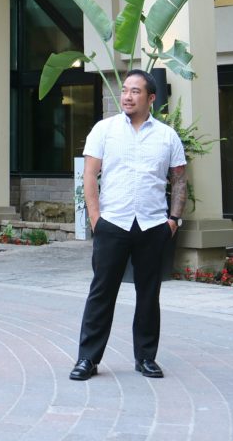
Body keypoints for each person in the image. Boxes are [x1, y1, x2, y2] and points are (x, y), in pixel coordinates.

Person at [69, 69, 187, 381]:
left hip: (152, 226)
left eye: (135, 91)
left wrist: (173, 220)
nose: (127, 96)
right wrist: (97, 220)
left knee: (149, 294)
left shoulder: (167, 136)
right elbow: (90, 176)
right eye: (125, 90)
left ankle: (145, 358)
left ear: (151, 98)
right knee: (101, 293)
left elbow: (179, 180)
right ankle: (87, 359)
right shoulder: (104, 130)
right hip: (113, 224)